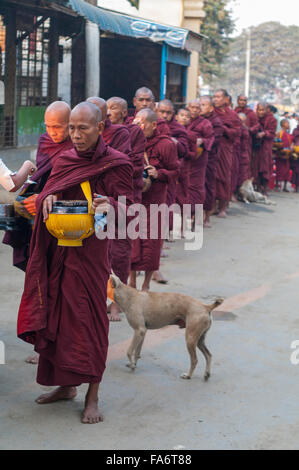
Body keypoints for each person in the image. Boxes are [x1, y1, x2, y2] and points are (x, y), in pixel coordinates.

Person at [17, 102, 134, 424]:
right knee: (58, 317)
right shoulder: (66, 159)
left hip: (92, 255)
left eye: (83, 128)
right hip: (60, 251)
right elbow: (49, 192)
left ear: (100, 127)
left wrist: (109, 204)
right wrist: (46, 198)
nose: (76, 135)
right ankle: (66, 387)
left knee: (90, 321)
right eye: (72, 128)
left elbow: (130, 209)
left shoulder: (117, 164)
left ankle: (92, 396)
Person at [3, 101, 73, 273]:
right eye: (47, 126)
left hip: (64, 211)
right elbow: (41, 175)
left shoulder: (78, 145)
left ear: (70, 124)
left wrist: (43, 198)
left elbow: (73, 182)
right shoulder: (45, 140)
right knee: (38, 261)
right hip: (38, 208)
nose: (51, 132)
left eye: (57, 127)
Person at [87, 96, 132, 322]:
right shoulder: (81, 135)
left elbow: (119, 162)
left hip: (114, 196)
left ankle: (115, 305)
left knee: (118, 254)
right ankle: (96, 301)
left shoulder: (120, 134)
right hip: (89, 202)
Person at [129, 108, 179, 292]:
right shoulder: (130, 141)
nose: (138, 126)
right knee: (133, 241)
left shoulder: (165, 144)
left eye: (142, 123)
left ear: (153, 124)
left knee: (152, 243)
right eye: (136, 121)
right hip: (135, 199)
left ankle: (146, 285)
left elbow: (175, 171)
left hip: (155, 201)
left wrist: (159, 173)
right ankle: (132, 282)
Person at [155, 99, 188, 283]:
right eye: (162, 112)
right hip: (148, 179)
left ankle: (158, 250)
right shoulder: (145, 124)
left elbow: (185, 148)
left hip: (166, 178)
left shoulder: (177, 128)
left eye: (168, 113)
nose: (165, 116)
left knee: (163, 212)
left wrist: (174, 142)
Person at [213, 89, 242, 217]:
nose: (215, 99)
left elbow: (237, 132)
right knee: (212, 178)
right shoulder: (211, 113)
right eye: (214, 97)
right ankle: (212, 206)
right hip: (213, 148)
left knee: (225, 177)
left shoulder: (232, 115)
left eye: (219, 97)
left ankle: (223, 207)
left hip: (226, 149)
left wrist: (223, 128)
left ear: (226, 99)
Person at [186, 99, 214, 230]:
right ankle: (184, 219)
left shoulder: (206, 123)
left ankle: (196, 217)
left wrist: (201, 140)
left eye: (198, 108)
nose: (195, 110)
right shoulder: (183, 119)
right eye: (192, 107)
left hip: (199, 160)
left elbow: (210, 138)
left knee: (197, 188)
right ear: (188, 107)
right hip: (185, 159)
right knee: (183, 187)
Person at [199, 96, 224, 228]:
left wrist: (202, 141)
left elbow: (215, 140)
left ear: (211, 108)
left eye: (203, 105)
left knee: (208, 186)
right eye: (200, 104)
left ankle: (207, 216)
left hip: (209, 158)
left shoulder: (216, 121)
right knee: (196, 188)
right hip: (195, 159)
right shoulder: (195, 120)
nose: (200, 107)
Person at [251, 102, 277, 194]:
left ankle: (264, 187)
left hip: (266, 147)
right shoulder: (254, 118)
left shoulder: (272, 119)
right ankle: (256, 186)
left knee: (265, 166)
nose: (260, 112)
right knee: (255, 166)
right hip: (255, 146)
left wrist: (264, 133)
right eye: (259, 110)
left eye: (262, 110)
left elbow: (272, 133)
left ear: (267, 110)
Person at [275, 119, 292, 192]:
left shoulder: (288, 134)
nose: (288, 125)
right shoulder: (280, 133)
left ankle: (285, 187)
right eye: (287, 123)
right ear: (283, 124)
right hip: (280, 155)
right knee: (279, 170)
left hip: (287, 155)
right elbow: (277, 143)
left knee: (286, 171)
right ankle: (278, 185)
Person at [237, 113, 252, 188]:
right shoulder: (235, 128)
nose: (241, 123)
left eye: (243, 121)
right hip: (236, 152)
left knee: (243, 173)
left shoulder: (246, 128)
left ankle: (241, 191)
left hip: (244, 153)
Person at [291, 122, 299, 192]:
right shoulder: (295, 130)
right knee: (295, 170)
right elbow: (292, 140)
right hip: (295, 151)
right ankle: (295, 186)